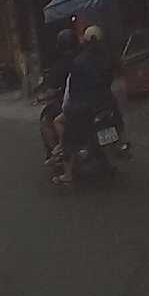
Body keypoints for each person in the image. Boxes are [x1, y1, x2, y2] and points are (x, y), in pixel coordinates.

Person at [51, 26, 113, 185]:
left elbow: (72, 91)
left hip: (85, 107)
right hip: (106, 103)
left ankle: (68, 174)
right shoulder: (106, 57)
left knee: (67, 136)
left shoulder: (79, 61)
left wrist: (69, 107)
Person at [39, 29, 77, 160]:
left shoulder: (59, 66)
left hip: (70, 103)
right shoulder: (84, 58)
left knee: (46, 121)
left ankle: (58, 151)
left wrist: (43, 96)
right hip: (92, 99)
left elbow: (51, 90)